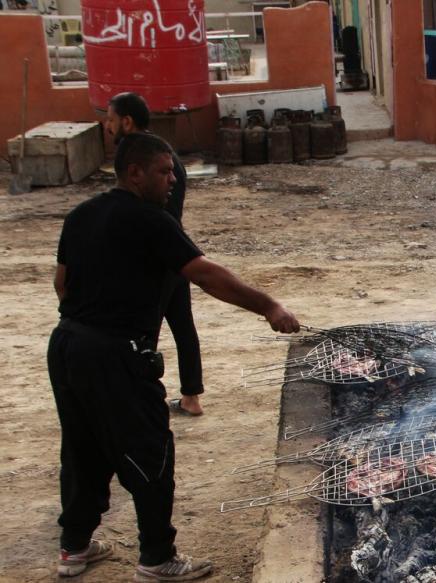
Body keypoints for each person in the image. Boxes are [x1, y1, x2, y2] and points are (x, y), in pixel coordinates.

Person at [49, 132, 300, 580]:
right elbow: (206, 274)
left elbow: (61, 283)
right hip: (116, 353)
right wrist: (269, 307)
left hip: (67, 344)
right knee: (149, 450)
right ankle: (157, 558)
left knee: (83, 447)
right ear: (134, 172)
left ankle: (75, 548)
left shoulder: (81, 215)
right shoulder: (152, 221)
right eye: (164, 172)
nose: (172, 181)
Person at [106, 92, 205, 416]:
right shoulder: (163, 150)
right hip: (173, 248)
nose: (108, 127)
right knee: (182, 325)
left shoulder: (138, 156)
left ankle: (140, 396)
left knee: (143, 328)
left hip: (155, 254)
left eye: (110, 119)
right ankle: (191, 395)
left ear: (126, 121)